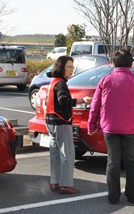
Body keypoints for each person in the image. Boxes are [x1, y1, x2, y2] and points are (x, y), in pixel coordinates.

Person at [87, 49, 134, 205]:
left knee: (112, 161)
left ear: (114, 62)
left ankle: (113, 196)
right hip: (131, 128)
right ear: (130, 63)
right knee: (131, 161)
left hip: (110, 127)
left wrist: (91, 124)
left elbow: (95, 105)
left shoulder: (105, 80)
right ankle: (133, 196)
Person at [45, 55, 91, 194]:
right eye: (69, 67)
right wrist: (82, 100)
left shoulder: (53, 82)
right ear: (61, 68)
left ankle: (55, 182)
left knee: (55, 153)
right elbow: (63, 100)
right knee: (67, 153)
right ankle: (65, 185)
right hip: (61, 123)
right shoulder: (61, 84)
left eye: (72, 67)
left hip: (50, 122)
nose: (71, 70)